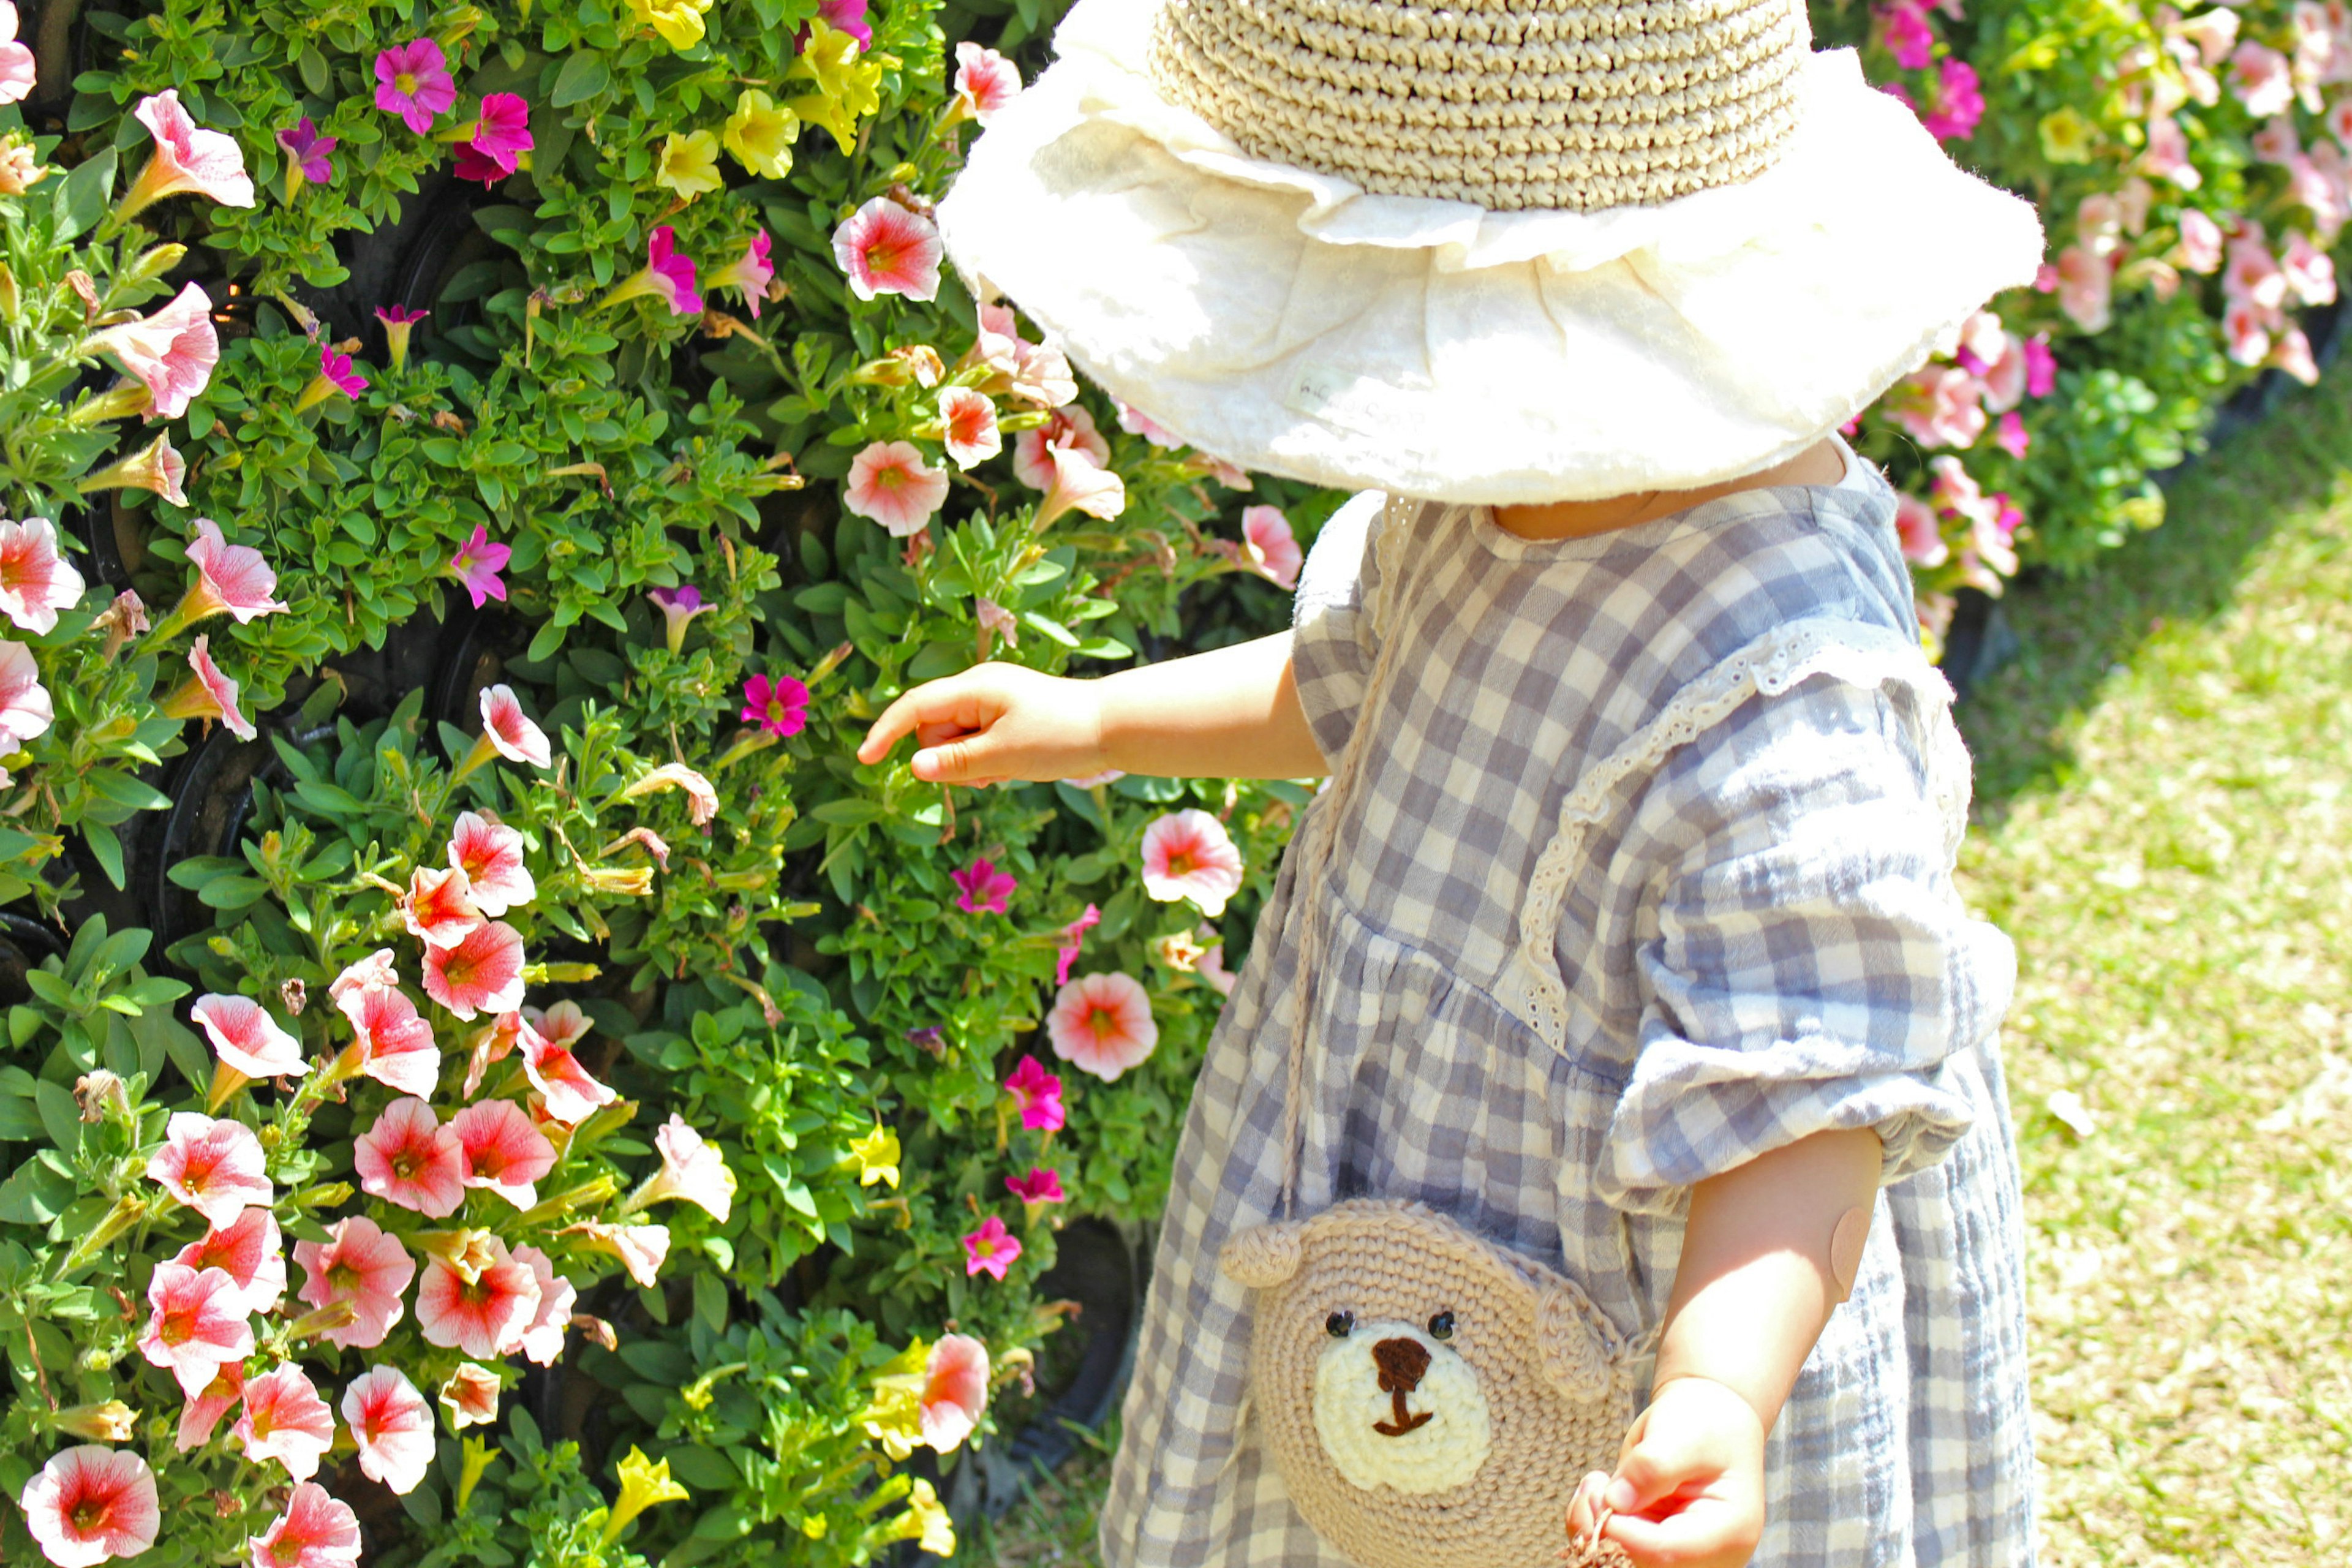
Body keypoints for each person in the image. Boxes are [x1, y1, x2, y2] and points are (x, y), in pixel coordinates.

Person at [859, 0, 2046, 1562]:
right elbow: (1365, 682)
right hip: (1408, 1227)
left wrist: (1712, 1389)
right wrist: (1092, 718)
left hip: (1628, 1319)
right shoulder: (1506, 494)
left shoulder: (1780, 703)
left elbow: (1806, 1114)